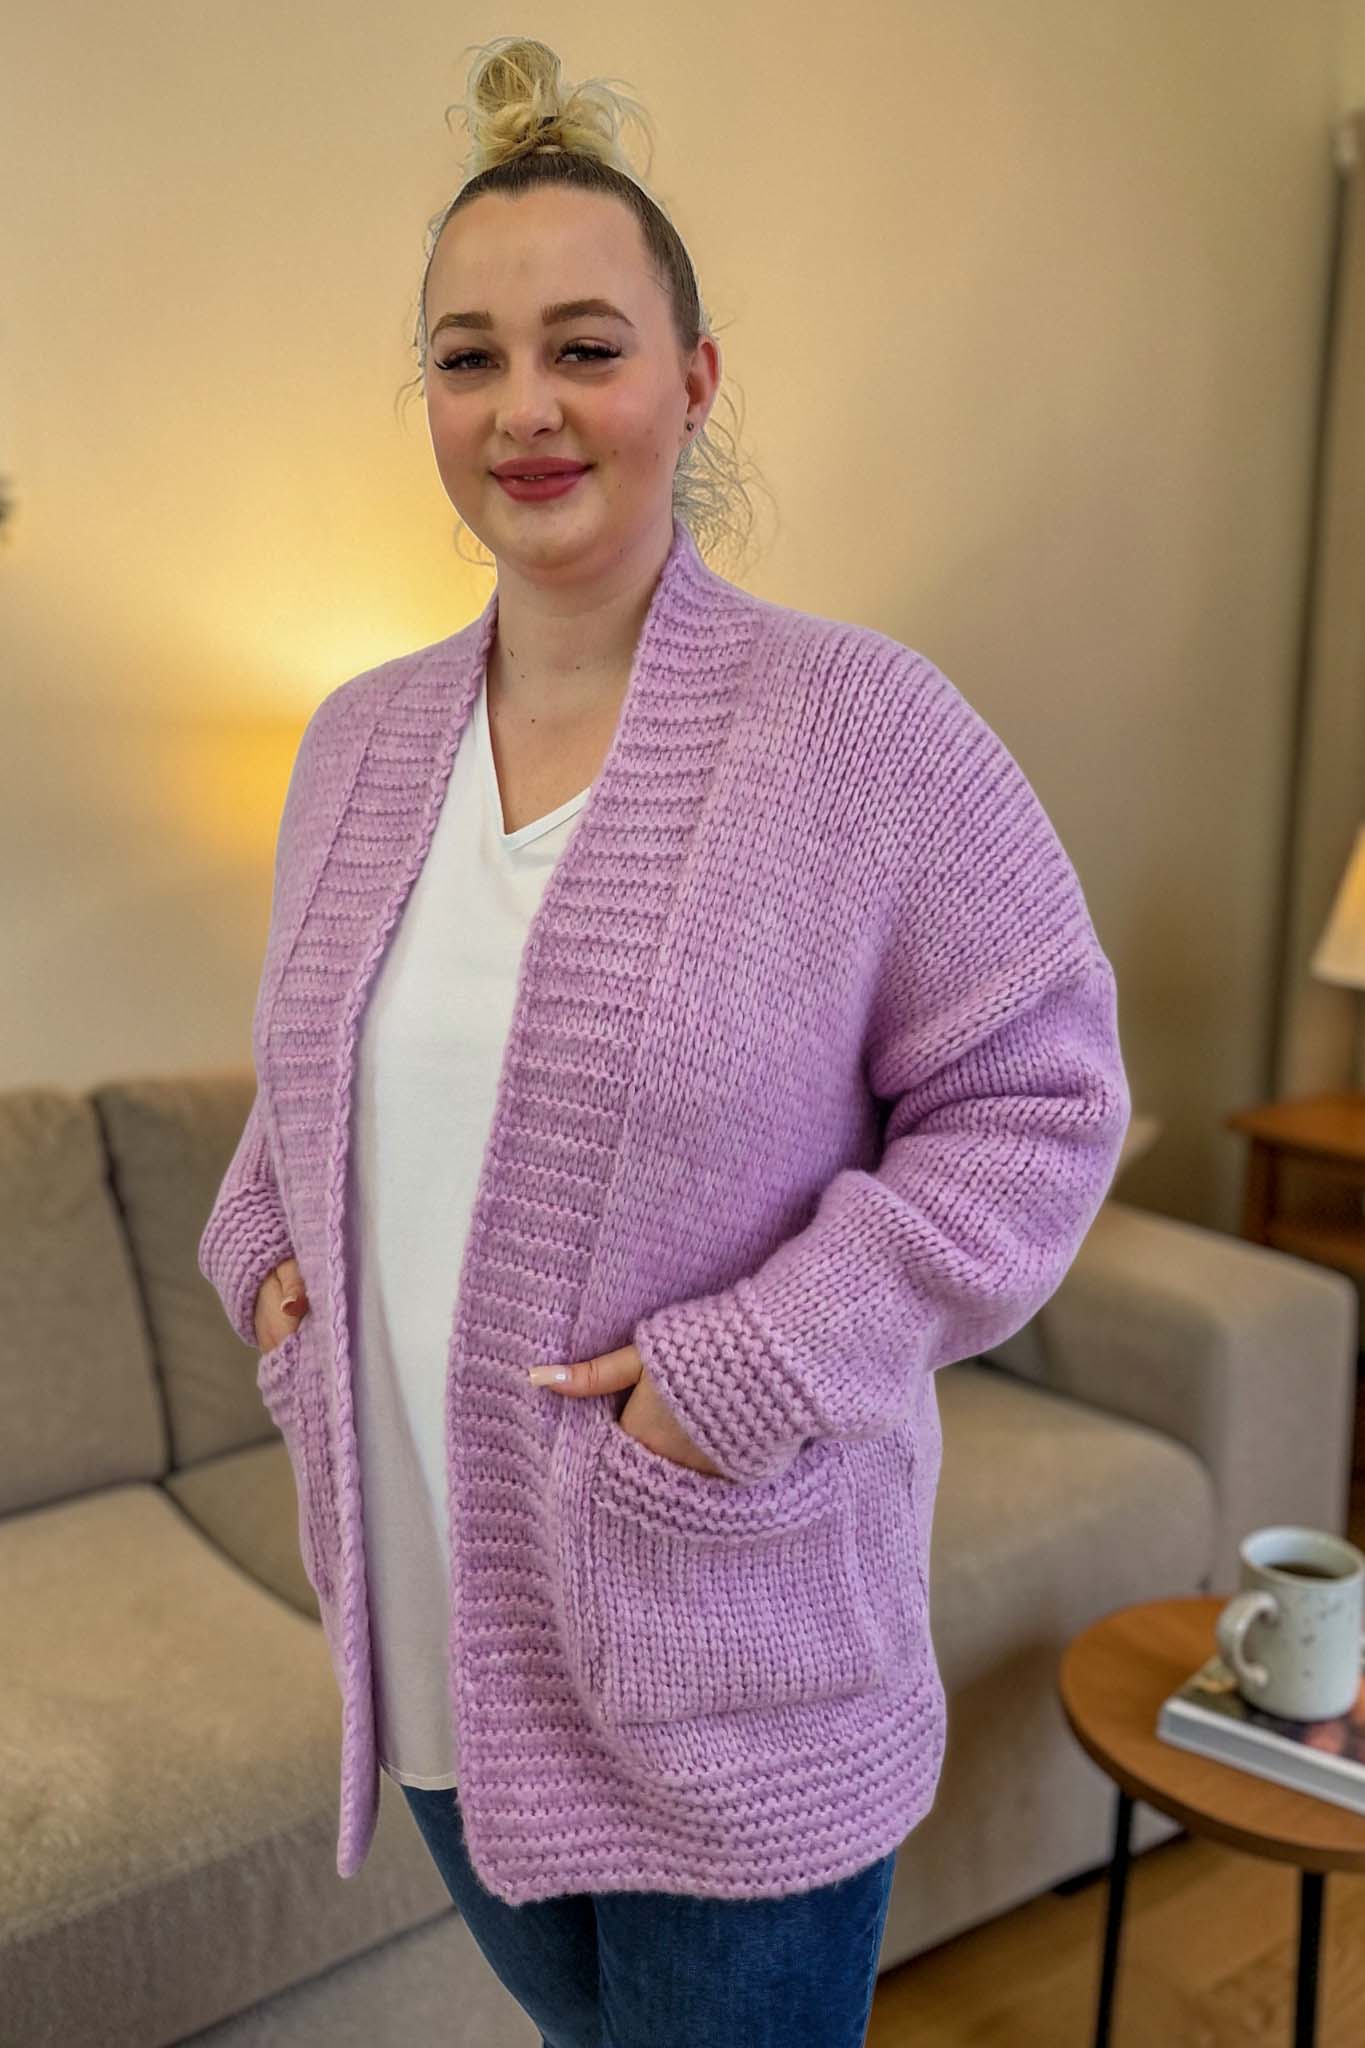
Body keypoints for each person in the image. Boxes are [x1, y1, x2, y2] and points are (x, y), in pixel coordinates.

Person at [199, 34, 1131, 2048]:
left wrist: (746, 1371)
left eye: (583, 348)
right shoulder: (352, 741)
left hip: (733, 1665)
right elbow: (314, 1081)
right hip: (434, 1642)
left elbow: (1039, 1103)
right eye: (467, 358)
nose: (523, 407)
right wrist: (262, 1255)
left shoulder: (863, 732)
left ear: (692, 381)